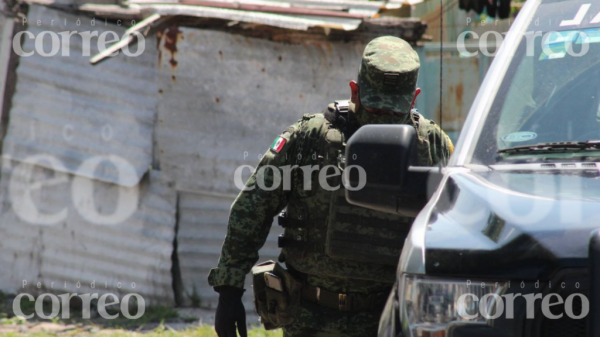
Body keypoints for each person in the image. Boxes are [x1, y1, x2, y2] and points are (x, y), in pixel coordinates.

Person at [208, 36, 454, 337]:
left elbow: (457, 224)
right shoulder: (309, 138)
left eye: (393, 112)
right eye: (376, 109)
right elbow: (252, 208)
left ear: (414, 99)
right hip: (309, 320)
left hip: (388, 321)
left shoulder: (433, 146)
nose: (382, 120)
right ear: (354, 91)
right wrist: (229, 289)